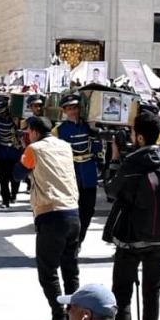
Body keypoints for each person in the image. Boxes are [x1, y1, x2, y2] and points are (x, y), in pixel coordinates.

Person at [103, 111, 160, 320]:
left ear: (139, 137)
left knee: (122, 292)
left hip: (131, 237)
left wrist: (114, 158)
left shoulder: (132, 162)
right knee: (152, 292)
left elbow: (111, 191)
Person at [14, 116, 80, 320]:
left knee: (48, 271)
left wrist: (24, 150)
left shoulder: (34, 149)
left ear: (33, 131)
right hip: (73, 212)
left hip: (50, 214)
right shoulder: (66, 146)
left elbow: (18, 173)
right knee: (70, 270)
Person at [53, 93, 101, 245]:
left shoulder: (89, 126)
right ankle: (72, 242)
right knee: (72, 211)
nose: (73, 111)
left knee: (88, 211)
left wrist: (95, 132)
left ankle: (80, 240)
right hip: (70, 175)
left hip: (88, 175)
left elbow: (98, 149)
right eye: (69, 108)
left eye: (75, 108)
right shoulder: (59, 130)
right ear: (64, 111)